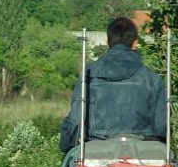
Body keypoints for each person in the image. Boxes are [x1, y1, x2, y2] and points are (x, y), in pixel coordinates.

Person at [59, 17, 166, 153]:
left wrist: (66, 146)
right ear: (134, 44)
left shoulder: (89, 74)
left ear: (108, 42)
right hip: (145, 154)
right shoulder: (152, 78)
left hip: (95, 152)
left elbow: (75, 120)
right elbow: (162, 126)